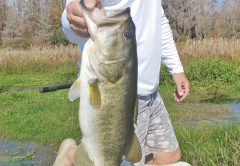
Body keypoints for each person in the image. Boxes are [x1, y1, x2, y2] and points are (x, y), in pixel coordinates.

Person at [54, 0, 190, 165]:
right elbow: (71, 16)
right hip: (124, 95)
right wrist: (73, 18)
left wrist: (176, 69)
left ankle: (72, 155)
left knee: (170, 156)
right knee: (110, 158)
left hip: (152, 92)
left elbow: (158, 17)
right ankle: (71, 156)